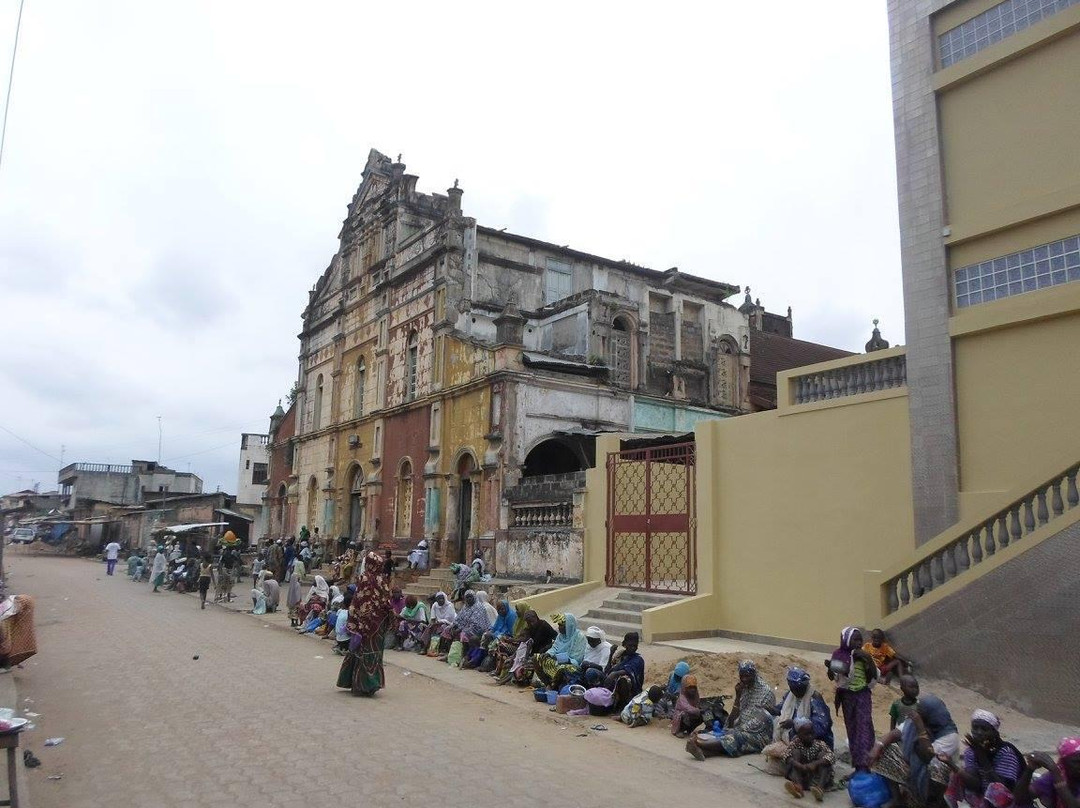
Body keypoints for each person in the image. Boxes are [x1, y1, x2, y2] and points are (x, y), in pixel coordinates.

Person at [870, 694, 960, 808]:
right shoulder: (918, 721)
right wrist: (877, 746)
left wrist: (920, 728)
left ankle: (932, 803)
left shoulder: (950, 736)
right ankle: (898, 800)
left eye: (920, 711)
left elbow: (927, 756)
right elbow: (895, 733)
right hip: (915, 768)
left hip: (934, 779)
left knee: (938, 769)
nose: (917, 713)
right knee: (887, 750)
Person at [687, 660, 775, 759]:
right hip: (741, 729)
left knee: (734, 738)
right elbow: (732, 721)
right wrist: (738, 696)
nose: (744, 679)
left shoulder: (766, 693)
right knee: (721, 733)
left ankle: (699, 744)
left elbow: (761, 721)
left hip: (759, 735)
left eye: (747, 676)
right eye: (742, 676)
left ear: (754, 674)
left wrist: (736, 730)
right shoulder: (744, 689)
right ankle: (703, 752)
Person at [336, 551, 393, 696]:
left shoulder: (364, 579)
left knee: (360, 652)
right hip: (378, 625)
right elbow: (388, 603)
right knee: (374, 653)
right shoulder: (383, 581)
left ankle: (359, 684)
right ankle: (371, 685)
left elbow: (357, 601)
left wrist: (353, 621)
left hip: (363, 624)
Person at [942, 710, 1023, 808]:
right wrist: (950, 764)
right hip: (984, 797)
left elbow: (1002, 789)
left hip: (1010, 802)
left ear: (994, 732)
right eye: (975, 728)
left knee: (995, 788)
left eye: (984, 729)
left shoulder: (1005, 752)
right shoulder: (971, 751)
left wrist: (981, 756)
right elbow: (975, 785)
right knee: (956, 773)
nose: (979, 732)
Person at [828, 626, 877, 771]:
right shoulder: (839, 654)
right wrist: (834, 667)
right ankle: (858, 764)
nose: (858, 642)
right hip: (847, 696)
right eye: (855, 639)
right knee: (852, 728)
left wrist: (867, 658)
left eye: (860, 639)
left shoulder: (864, 655)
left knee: (864, 727)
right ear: (846, 640)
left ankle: (865, 764)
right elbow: (832, 675)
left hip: (862, 695)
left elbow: (874, 675)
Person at [773, 666, 833, 748]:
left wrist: (794, 723)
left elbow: (821, 726)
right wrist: (771, 710)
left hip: (813, 737)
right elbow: (782, 710)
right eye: (793, 689)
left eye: (798, 689)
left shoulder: (814, 698)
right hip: (794, 732)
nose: (795, 692)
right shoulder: (790, 695)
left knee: (797, 744)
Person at [1014, 737, 1080, 808]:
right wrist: (1030, 769)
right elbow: (1019, 799)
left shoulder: (1057, 775)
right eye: (1076, 762)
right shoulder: (1055, 776)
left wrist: (1055, 772)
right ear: (1064, 762)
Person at [783, 718, 836, 802]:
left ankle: (820, 789)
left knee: (823, 755)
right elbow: (786, 755)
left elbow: (832, 756)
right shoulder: (795, 743)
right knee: (795, 753)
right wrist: (798, 765)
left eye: (811, 733)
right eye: (806, 734)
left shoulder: (819, 744)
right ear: (799, 735)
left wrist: (815, 763)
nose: (810, 736)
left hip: (816, 778)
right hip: (802, 776)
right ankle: (798, 787)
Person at [534, 613, 586, 689]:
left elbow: (577, 659)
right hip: (557, 661)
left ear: (569, 626)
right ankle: (547, 684)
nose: (559, 628)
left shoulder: (579, 637)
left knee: (562, 668)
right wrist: (548, 653)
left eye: (561, 625)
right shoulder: (560, 636)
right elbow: (554, 648)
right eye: (558, 625)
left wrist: (561, 658)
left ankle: (554, 687)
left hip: (571, 664)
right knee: (536, 658)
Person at [510, 610, 558, 685]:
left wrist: (548, 647)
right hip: (533, 652)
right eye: (528, 623)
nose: (531, 624)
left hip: (544, 652)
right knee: (519, 662)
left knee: (529, 665)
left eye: (532, 621)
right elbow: (525, 641)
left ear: (536, 618)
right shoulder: (529, 629)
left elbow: (556, 638)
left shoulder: (544, 625)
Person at [603, 631, 646, 712]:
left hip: (631, 690)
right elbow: (607, 670)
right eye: (630, 645)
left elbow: (629, 670)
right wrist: (610, 655)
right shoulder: (620, 655)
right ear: (625, 644)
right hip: (613, 686)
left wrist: (615, 674)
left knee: (623, 679)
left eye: (635, 646)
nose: (633, 648)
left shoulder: (638, 659)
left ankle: (622, 706)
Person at [443, 591, 490, 662]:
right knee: (448, 629)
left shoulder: (478, 607)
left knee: (463, 634)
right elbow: (459, 618)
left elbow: (475, 624)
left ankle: (464, 655)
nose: (469, 599)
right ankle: (451, 653)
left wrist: (460, 629)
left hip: (477, 629)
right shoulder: (466, 606)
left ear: (474, 597)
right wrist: (454, 626)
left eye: (470, 597)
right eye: (467, 597)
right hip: (465, 627)